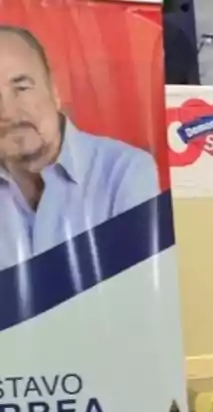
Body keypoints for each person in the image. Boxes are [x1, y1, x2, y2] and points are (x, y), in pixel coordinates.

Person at [0, 25, 160, 270]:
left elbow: (140, 291)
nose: (7, 111)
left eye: (21, 88)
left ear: (54, 91)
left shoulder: (125, 172)